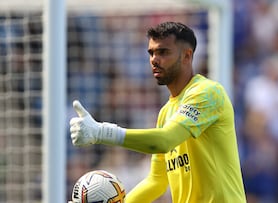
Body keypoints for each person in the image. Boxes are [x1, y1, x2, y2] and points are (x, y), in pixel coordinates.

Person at [70, 21, 246, 203]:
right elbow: (157, 181)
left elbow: (164, 141)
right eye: (151, 53)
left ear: (187, 56)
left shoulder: (208, 92)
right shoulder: (166, 112)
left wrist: (101, 132)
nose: (154, 59)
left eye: (163, 52)